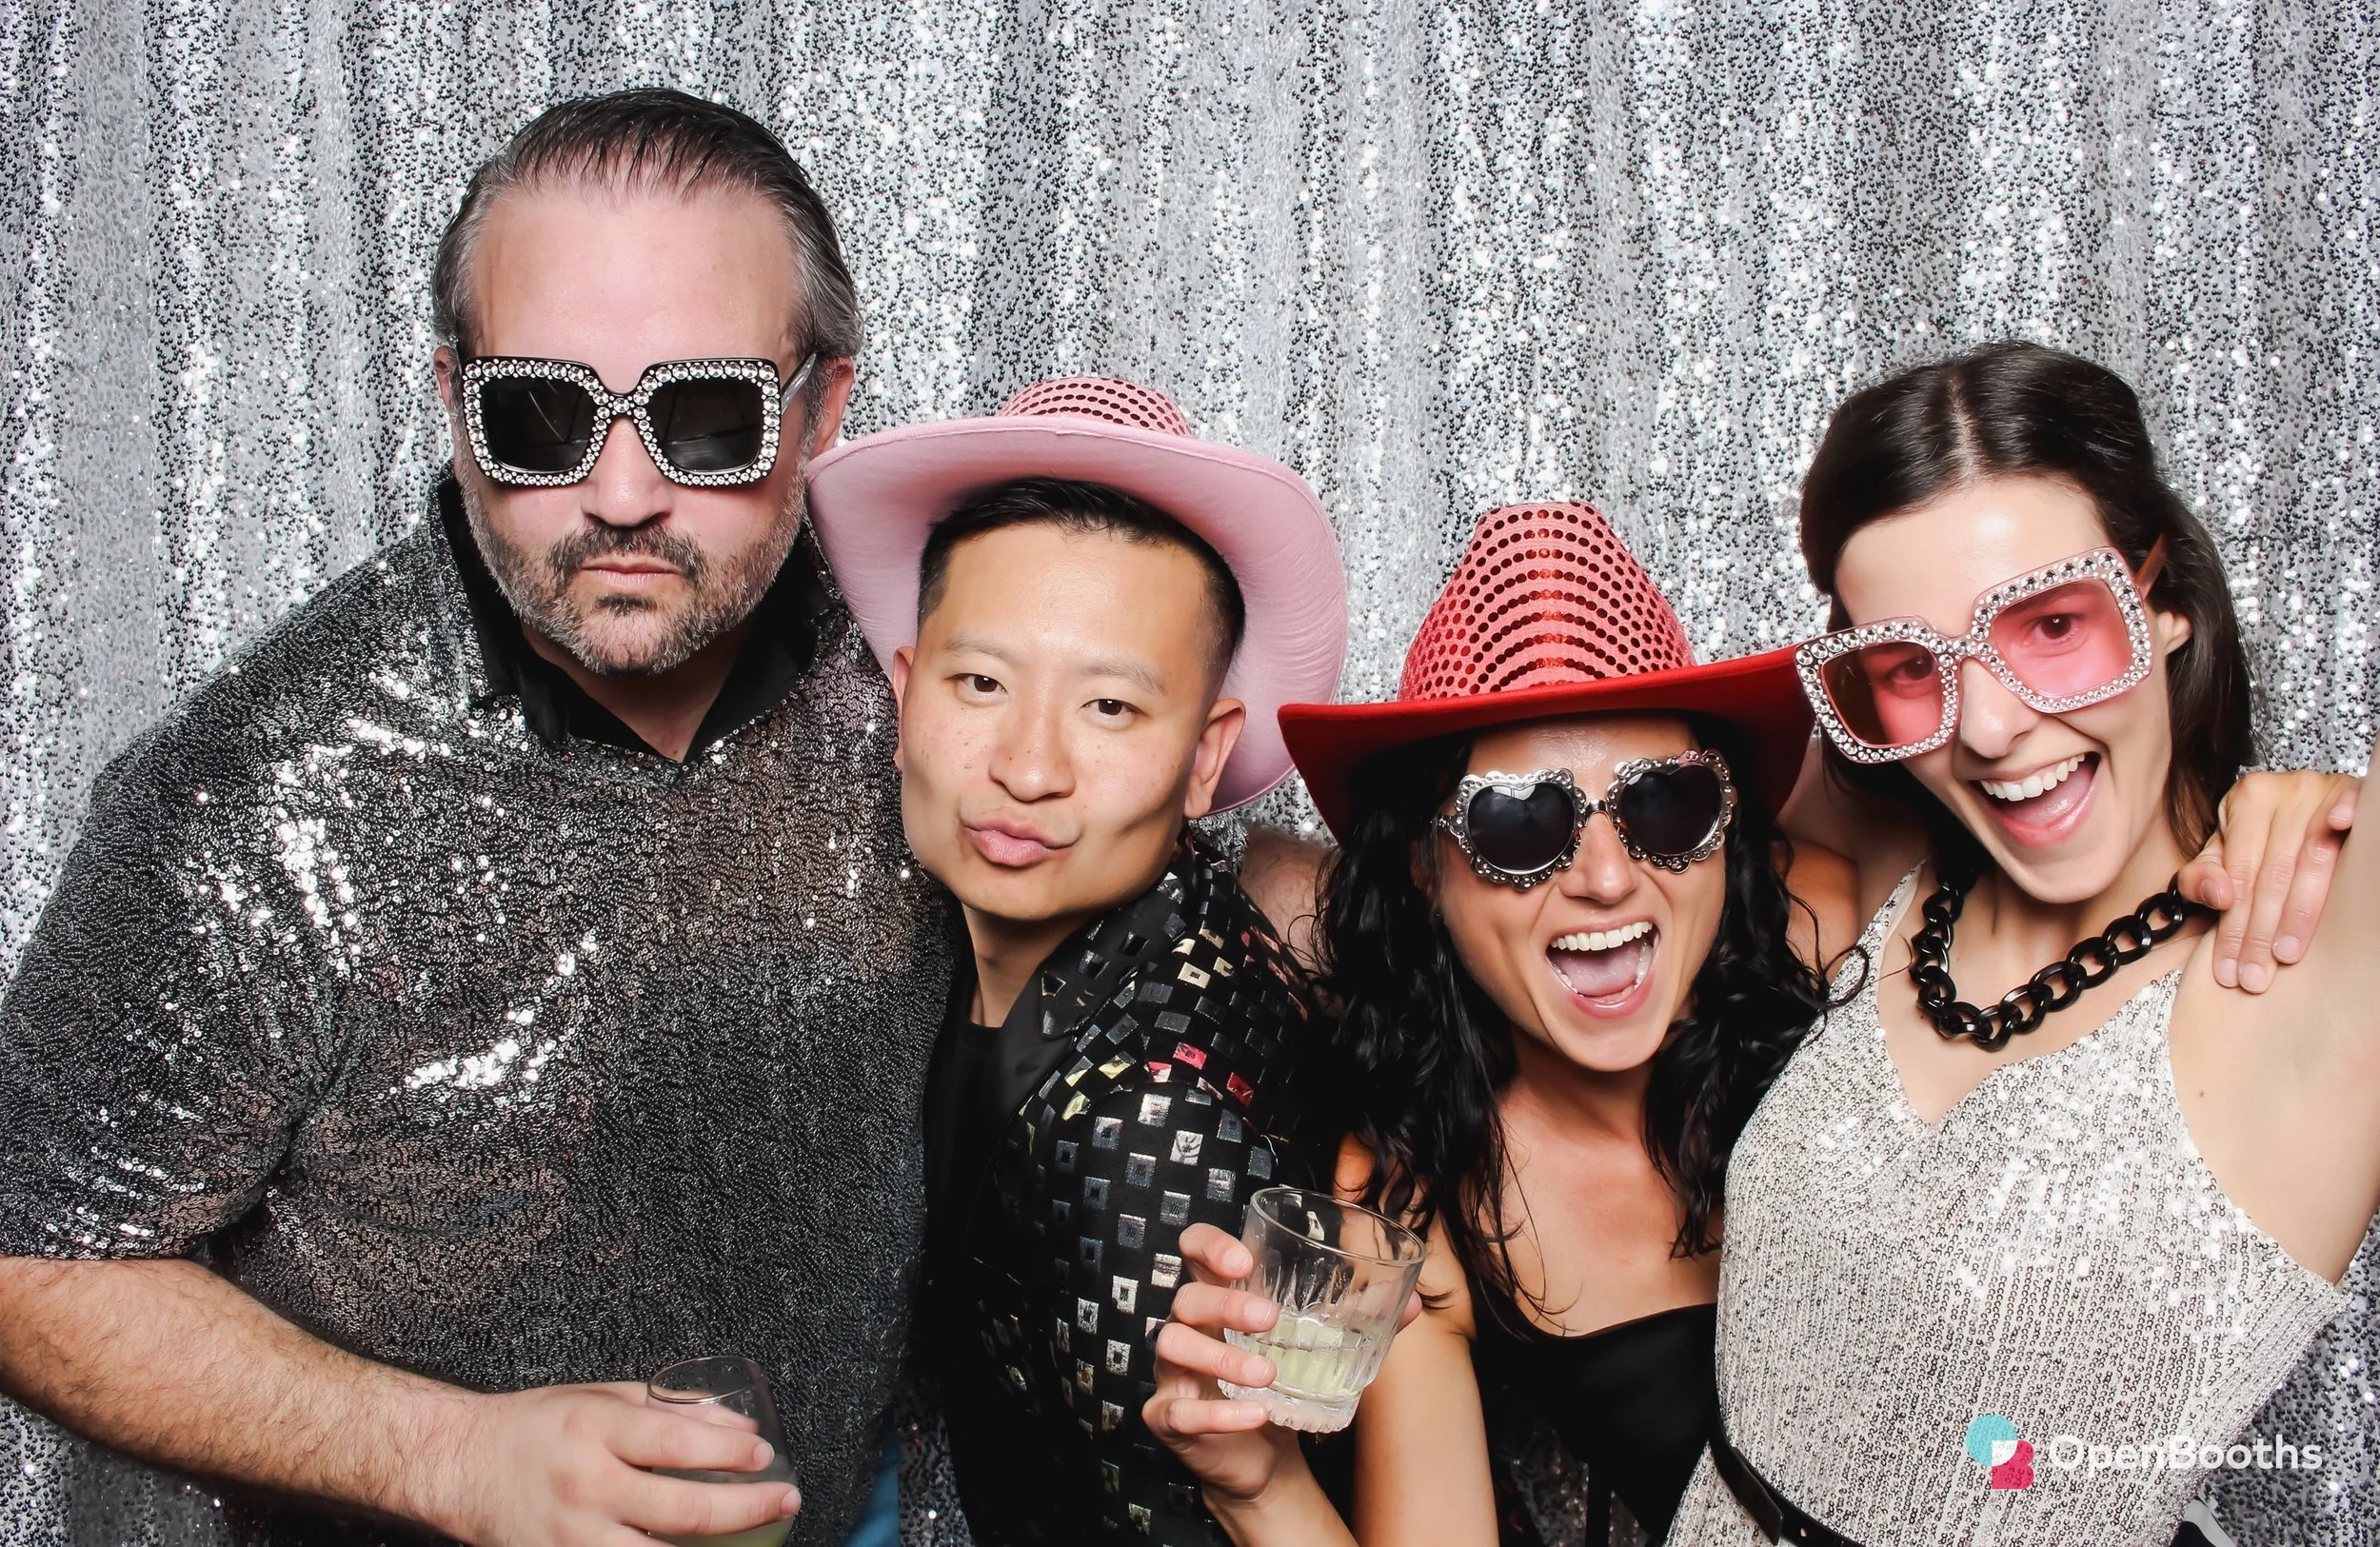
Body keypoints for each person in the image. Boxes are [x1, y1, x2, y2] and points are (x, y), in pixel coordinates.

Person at [0, 89, 949, 1547]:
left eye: (706, 416)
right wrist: (451, 1460)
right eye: (541, 416)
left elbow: (1143, 830)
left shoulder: (923, 681)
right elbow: (31, 1258)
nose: (622, 494)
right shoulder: (258, 789)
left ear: (822, 406)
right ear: (453, 403)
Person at [1139, 501, 2355, 1547]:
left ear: (1731, 835)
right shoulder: (1418, 1192)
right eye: (1521, 825)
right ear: (1422, 868)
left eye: (1666, 805)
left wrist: (2265, 804)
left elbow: (2045, 794)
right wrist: (1255, 1486)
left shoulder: (1847, 940)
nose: (1608, 879)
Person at [1653, 341, 2379, 1546]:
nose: (1988, 729)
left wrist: (2340, 802)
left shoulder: (2304, 956)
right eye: (1907, 665)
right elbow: (1572, 831)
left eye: (2049, 623)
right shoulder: (1885, 844)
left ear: (2163, 599)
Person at [803, 377, 1348, 1543]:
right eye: (981, 683)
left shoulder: (1144, 1131)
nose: (1028, 765)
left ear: (1205, 758)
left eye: (1108, 706)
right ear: (903, 694)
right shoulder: (973, 944)